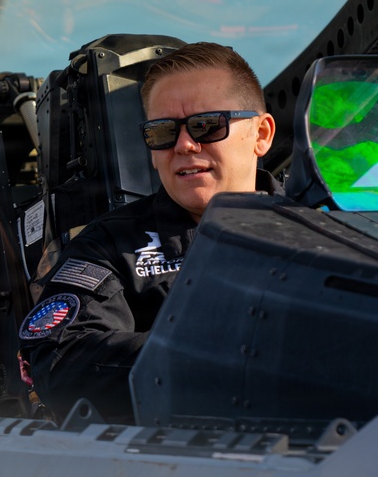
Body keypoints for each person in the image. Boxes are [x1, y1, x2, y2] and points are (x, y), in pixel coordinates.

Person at [19, 42, 277, 421]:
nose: (185, 144)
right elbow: (62, 360)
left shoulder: (333, 229)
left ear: (261, 134)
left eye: (207, 125)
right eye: (162, 132)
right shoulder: (108, 246)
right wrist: (231, 361)